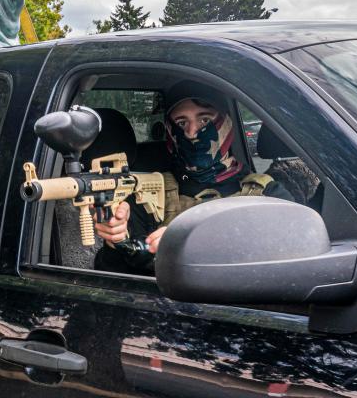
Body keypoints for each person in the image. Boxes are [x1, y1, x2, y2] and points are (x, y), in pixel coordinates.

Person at [93, 80, 318, 274]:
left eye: (204, 120)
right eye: (181, 123)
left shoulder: (267, 193)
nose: (191, 133)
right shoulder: (149, 195)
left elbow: (303, 258)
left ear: (227, 124)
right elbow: (115, 281)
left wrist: (203, 241)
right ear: (170, 131)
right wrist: (116, 242)